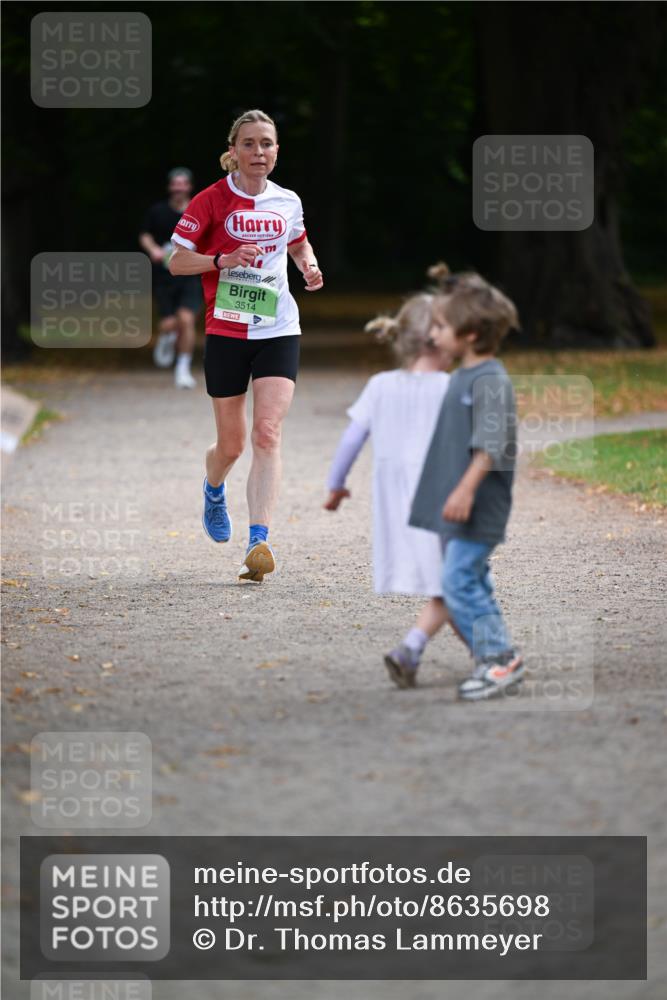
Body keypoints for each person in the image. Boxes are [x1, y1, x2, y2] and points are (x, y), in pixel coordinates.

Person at [169, 109, 323, 581]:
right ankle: (214, 487)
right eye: (250, 144)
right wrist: (222, 259)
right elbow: (177, 262)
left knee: (267, 433)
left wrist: (308, 264)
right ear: (233, 152)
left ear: (277, 151)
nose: (259, 152)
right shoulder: (211, 200)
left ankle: (259, 542)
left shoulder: (288, 201)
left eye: (267, 143)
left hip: (279, 327)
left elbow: (297, 242)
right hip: (227, 331)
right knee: (232, 445)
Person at [323, 268, 473, 689]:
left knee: (449, 585)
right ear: (440, 339)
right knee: (456, 582)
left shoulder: (380, 385)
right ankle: (419, 648)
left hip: (399, 507)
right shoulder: (451, 387)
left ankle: (479, 653)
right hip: (442, 501)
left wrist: (335, 484)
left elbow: (351, 438)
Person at [409, 279, 523, 701]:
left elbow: (490, 445)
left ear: (471, 334)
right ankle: (500, 657)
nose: (433, 333)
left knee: (457, 580)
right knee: (470, 580)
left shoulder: (489, 380)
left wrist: (465, 491)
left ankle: (498, 658)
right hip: (463, 504)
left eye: (441, 326)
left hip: (479, 505)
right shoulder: (464, 376)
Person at [139, 167, 203, 388]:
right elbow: (145, 235)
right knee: (168, 323)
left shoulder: (198, 210)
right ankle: (168, 335)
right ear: (170, 187)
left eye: (182, 184)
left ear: (189, 187)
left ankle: (182, 369)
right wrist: (153, 250)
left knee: (186, 319)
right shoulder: (157, 211)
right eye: (175, 184)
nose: (178, 188)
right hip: (164, 277)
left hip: (190, 275)